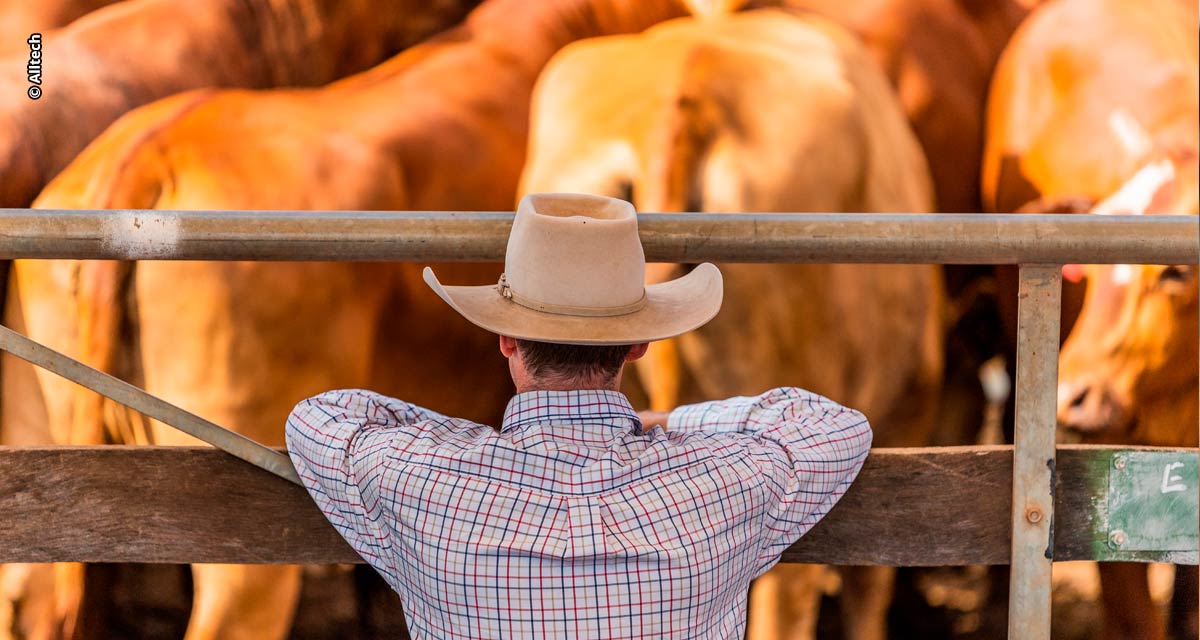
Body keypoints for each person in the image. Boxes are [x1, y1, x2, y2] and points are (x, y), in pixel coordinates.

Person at [285, 193, 872, 639]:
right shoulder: (726, 483)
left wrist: (473, 440)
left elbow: (321, 417)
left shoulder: (418, 479)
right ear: (638, 345)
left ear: (506, 340)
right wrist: (672, 422)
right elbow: (833, 426)